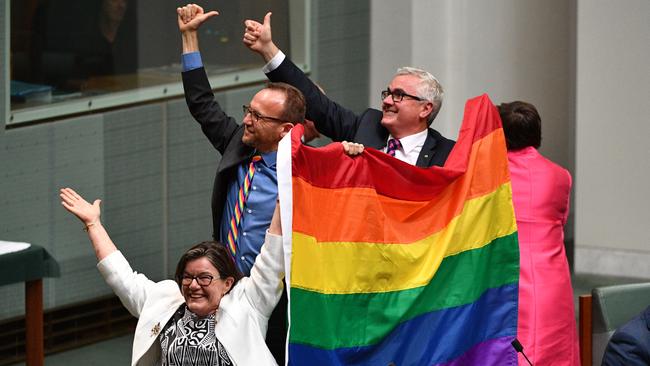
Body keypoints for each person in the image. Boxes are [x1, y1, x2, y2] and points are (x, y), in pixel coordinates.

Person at [59, 187, 284, 365]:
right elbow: (121, 277)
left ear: (227, 283)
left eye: (204, 278)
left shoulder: (248, 303)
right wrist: (93, 224)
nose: (193, 285)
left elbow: (271, 261)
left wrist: (283, 201)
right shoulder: (165, 300)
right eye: (187, 277)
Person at [177, 4, 302, 276]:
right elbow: (202, 104)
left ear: (285, 129)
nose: (247, 120)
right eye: (249, 111)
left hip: (275, 295)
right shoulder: (239, 144)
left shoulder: (304, 171)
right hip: (224, 287)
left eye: (258, 117)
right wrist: (189, 37)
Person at [243, 13, 455, 167]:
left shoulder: (447, 154)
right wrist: (268, 49)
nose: (387, 101)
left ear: (426, 109)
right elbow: (316, 102)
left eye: (398, 95)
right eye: (388, 93)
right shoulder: (367, 126)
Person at [498, 101, 579, 366]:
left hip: (505, 274)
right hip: (551, 280)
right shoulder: (561, 176)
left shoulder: (490, 176)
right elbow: (561, 220)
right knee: (555, 348)